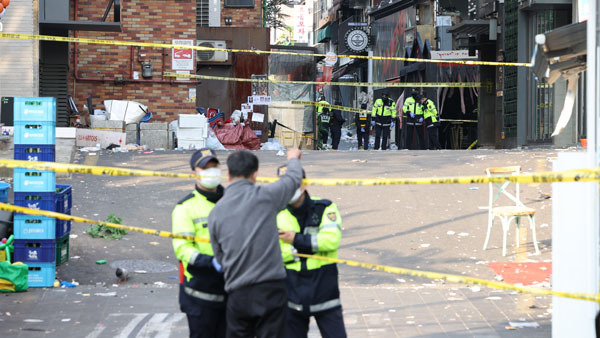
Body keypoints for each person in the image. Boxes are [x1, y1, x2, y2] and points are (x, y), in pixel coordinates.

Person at [208, 149, 304, 338]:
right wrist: (293, 159)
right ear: (255, 174)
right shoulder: (266, 196)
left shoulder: (216, 212)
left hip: (237, 292)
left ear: (228, 174)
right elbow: (293, 179)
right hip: (270, 290)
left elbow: (219, 255)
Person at [276, 165, 347, 338]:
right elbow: (274, 252)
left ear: (304, 184)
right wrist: (310, 247)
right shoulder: (276, 213)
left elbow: (330, 241)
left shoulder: (325, 208)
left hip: (325, 293)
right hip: (292, 296)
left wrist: (294, 240)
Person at [172, 148, 227, 338]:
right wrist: (210, 261)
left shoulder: (232, 201)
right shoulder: (185, 208)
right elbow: (182, 249)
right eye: (205, 168)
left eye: (214, 167)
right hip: (200, 293)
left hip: (232, 291)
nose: (210, 172)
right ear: (194, 173)